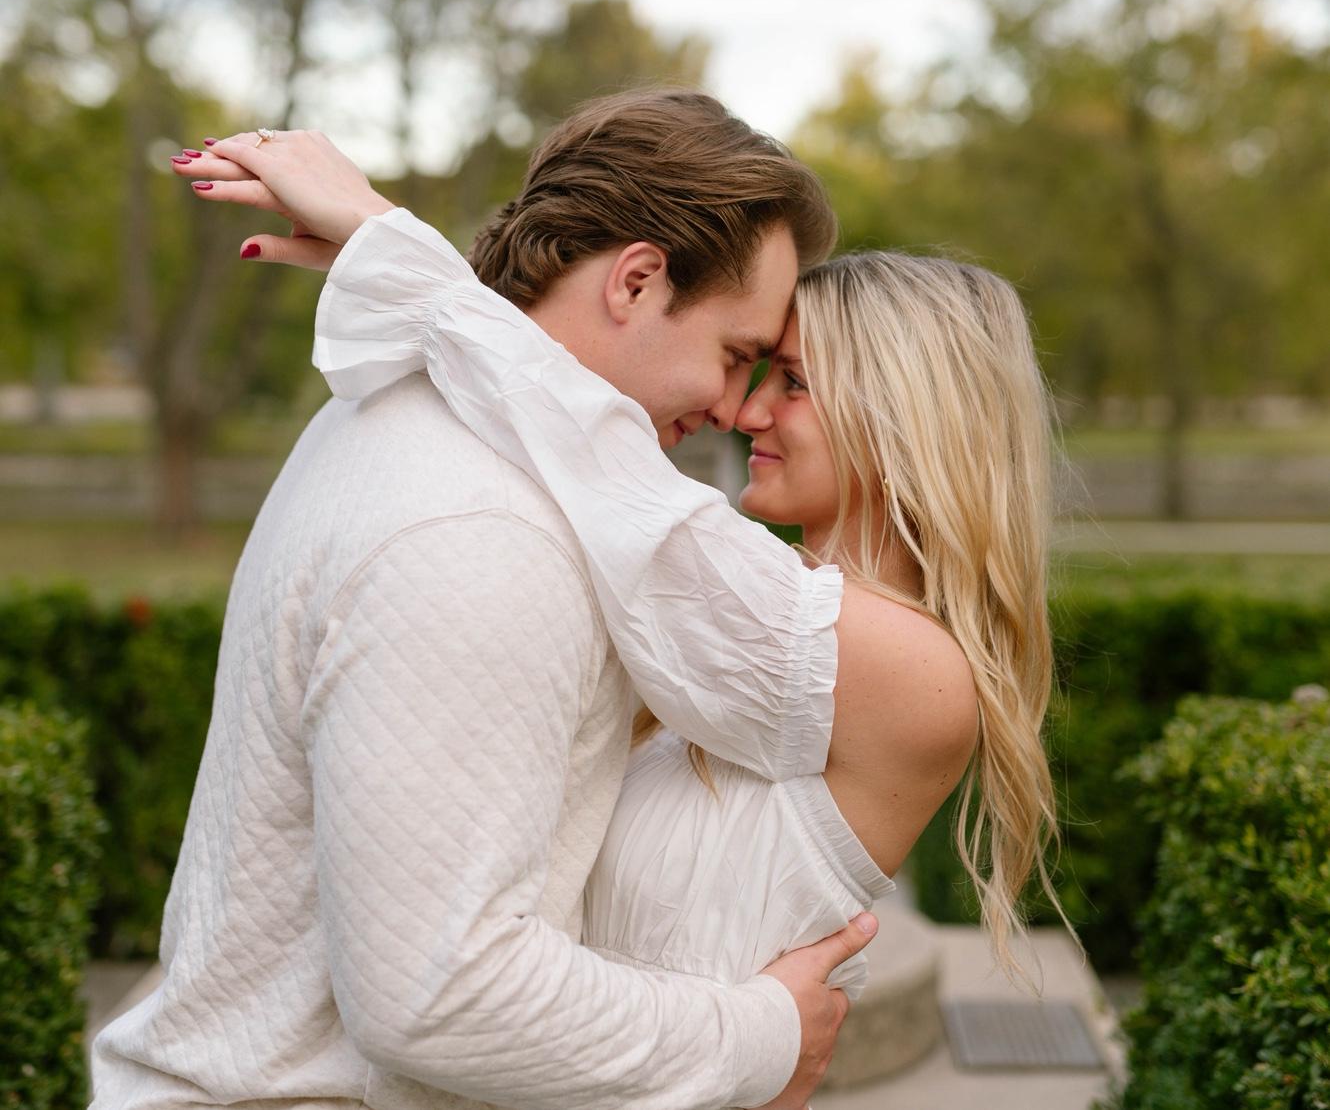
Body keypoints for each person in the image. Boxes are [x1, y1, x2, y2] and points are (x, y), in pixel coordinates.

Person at [92, 92, 880, 1110]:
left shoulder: (411, 417)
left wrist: (402, 258)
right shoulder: (482, 528)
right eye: (735, 355)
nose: (734, 408)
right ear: (637, 280)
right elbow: (442, 993)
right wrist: (760, 1036)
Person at [168, 112, 1071, 999]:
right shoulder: (730, 608)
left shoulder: (918, 674)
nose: (746, 411)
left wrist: (397, 253)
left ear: (905, 418)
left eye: (791, 381)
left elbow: (615, 480)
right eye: (751, 365)